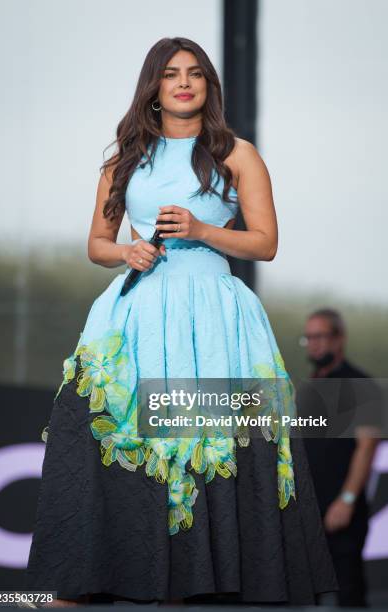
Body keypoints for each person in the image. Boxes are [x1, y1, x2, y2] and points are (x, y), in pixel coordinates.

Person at [23, 37, 339, 607]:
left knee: (212, 447)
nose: (184, 82)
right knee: (115, 438)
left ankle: (208, 582)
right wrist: (128, 253)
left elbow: (265, 243)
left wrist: (201, 231)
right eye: (171, 74)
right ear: (154, 87)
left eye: (195, 73)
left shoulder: (236, 154)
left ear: (208, 85)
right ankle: (96, 578)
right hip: (136, 313)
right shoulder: (124, 158)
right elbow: (98, 242)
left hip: (215, 318)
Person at [296, 308, 382, 607]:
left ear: (339, 338)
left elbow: (367, 445)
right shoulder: (309, 389)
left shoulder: (360, 384)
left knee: (348, 593)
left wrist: (346, 500)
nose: (314, 343)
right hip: (308, 510)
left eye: (320, 336)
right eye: (309, 338)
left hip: (342, 511)